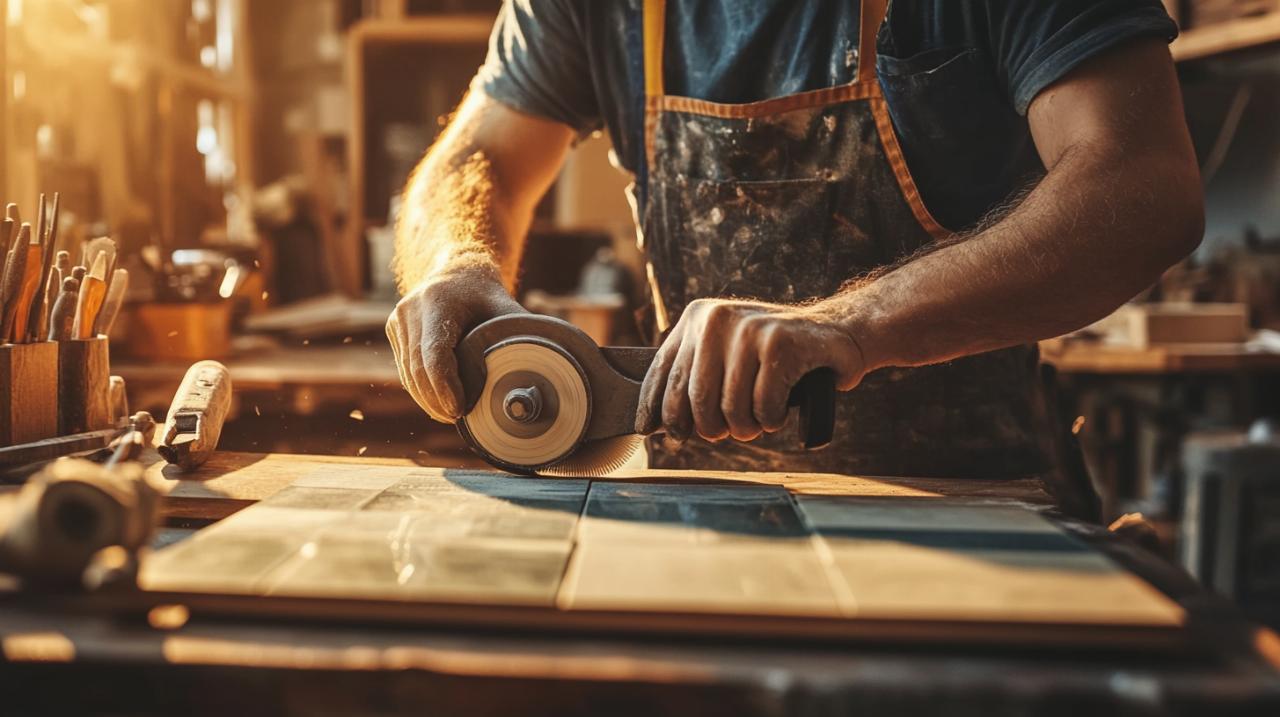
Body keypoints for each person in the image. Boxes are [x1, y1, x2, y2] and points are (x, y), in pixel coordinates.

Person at [385, 0, 1203, 519]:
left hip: (971, 506)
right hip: (691, 508)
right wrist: (456, 262)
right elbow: (474, 158)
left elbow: (1143, 185)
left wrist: (850, 325)